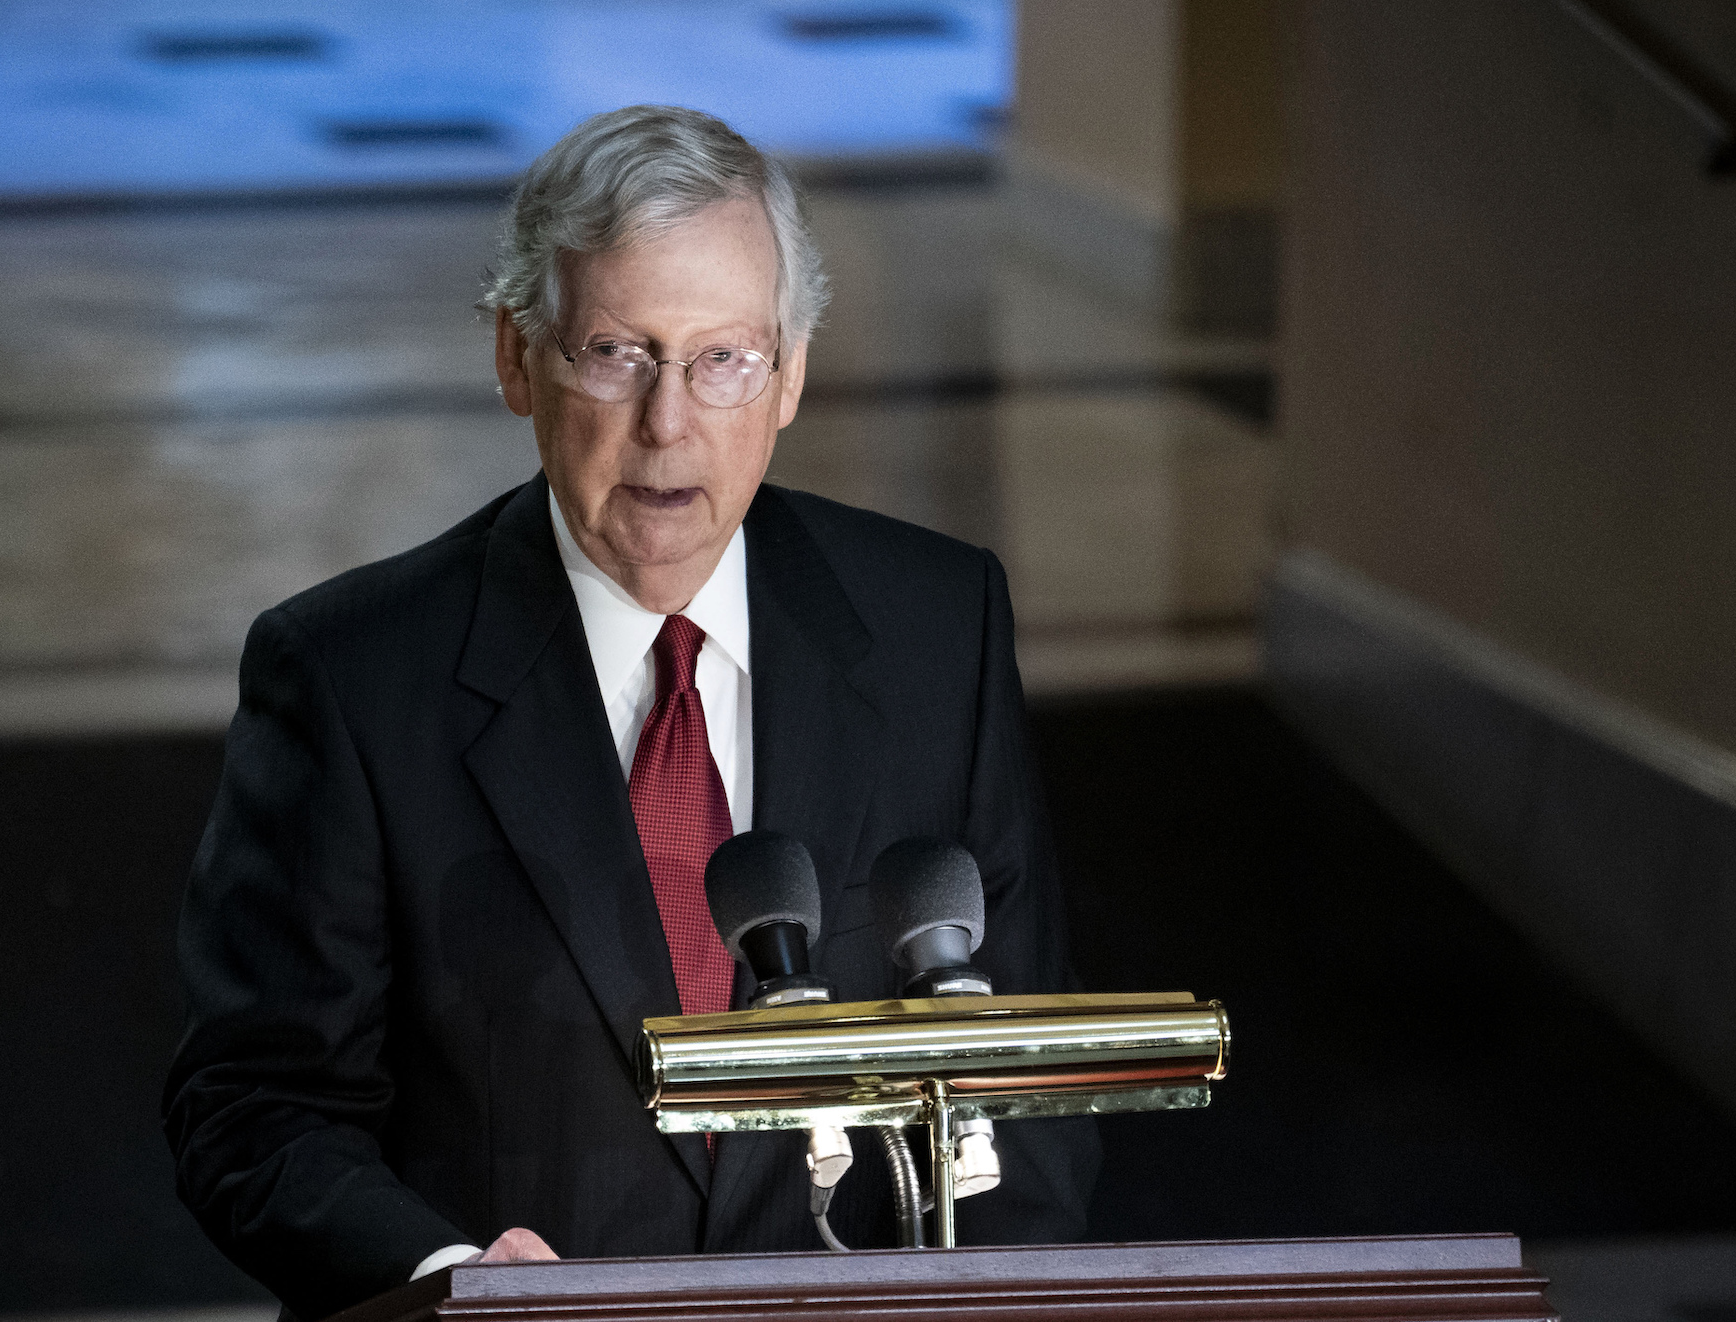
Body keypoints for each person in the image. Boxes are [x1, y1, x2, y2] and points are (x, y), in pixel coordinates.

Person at [164, 104, 1099, 1321]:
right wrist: (456, 1288)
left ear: (792, 374)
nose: (670, 422)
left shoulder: (938, 626)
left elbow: (1015, 1077)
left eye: (724, 359)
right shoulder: (347, 676)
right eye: (617, 352)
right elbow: (257, 1109)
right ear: (517, 358)